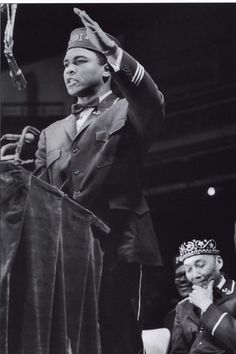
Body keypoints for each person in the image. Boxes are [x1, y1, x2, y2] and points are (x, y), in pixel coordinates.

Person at [34, 8, 165, 354]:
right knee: (70, 342)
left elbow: (152, 101)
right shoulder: (51, 133)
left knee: (117, 340)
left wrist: (116, 53)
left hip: (119, 247)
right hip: (67, 254)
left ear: (106, 67)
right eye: (65, 64)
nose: (69, 69)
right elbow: (38, 199)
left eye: (78, 61)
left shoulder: (127, 110)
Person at [170, 238, 236, 354]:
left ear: (219, 262)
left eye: (200, 265)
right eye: (188, 270)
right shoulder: (183, 307)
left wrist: (208, 307)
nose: (195, 275)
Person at [164, 255, 191, 332]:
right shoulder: (171, 317)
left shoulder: (209, 308)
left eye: (186, 275)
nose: (182, 280)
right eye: (178, 276)